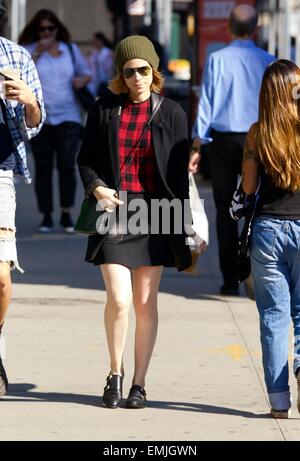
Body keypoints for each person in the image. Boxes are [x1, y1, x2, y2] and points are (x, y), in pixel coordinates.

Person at [77, 35, 200, 409]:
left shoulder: (173, 113)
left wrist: (190, 228)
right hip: (114, 211)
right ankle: (114, 374)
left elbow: (180, 181)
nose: (137, 78)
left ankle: (139, 383)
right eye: (129, 71)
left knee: (146, 302)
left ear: (154, 71)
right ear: (121, 74)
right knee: (119, 297)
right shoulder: (103, 109)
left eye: (143, 70)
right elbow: (85, 160)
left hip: (156, 213)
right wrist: (97, 188)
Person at [189, 4, 275, 296]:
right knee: (260, 208)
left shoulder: (217, 59)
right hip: (260, 139)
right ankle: (257, 274)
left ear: (228, 26)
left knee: (226, 211)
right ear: (256, 29)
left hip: (224, 140)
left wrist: (198, 142)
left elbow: (208, 104)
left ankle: (230, 280)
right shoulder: (268, 61)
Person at [242, 59, 300, 419]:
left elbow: (248, 188)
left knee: (274, 317)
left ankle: (279, 404)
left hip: (267, 230)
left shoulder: (257, 132)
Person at [0, 0, 45, 395]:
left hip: (0, 173)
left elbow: (35, 122)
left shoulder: (15, 56)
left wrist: (27, 100)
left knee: (0, 276)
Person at [19, 9, 91, 233]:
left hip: (69, 115)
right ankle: (47, 215)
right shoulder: (29, 52)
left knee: (67, 165)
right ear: (36, 31)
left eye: (51, 28)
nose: (47, 32)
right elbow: (18, 76)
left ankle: (67, 212)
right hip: (39, 116)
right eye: (42, 29)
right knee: (43, 167)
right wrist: (38, 53)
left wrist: (82, 80)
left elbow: (86, 72)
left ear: (57, 29)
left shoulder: (70, 50)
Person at [86, 32, 114, 98]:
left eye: (95, 40)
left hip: (104, 83)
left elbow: (109, 69)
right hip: (93, 82)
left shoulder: (107, 53)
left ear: (100, 41)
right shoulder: (93, 53)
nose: (93, 42)